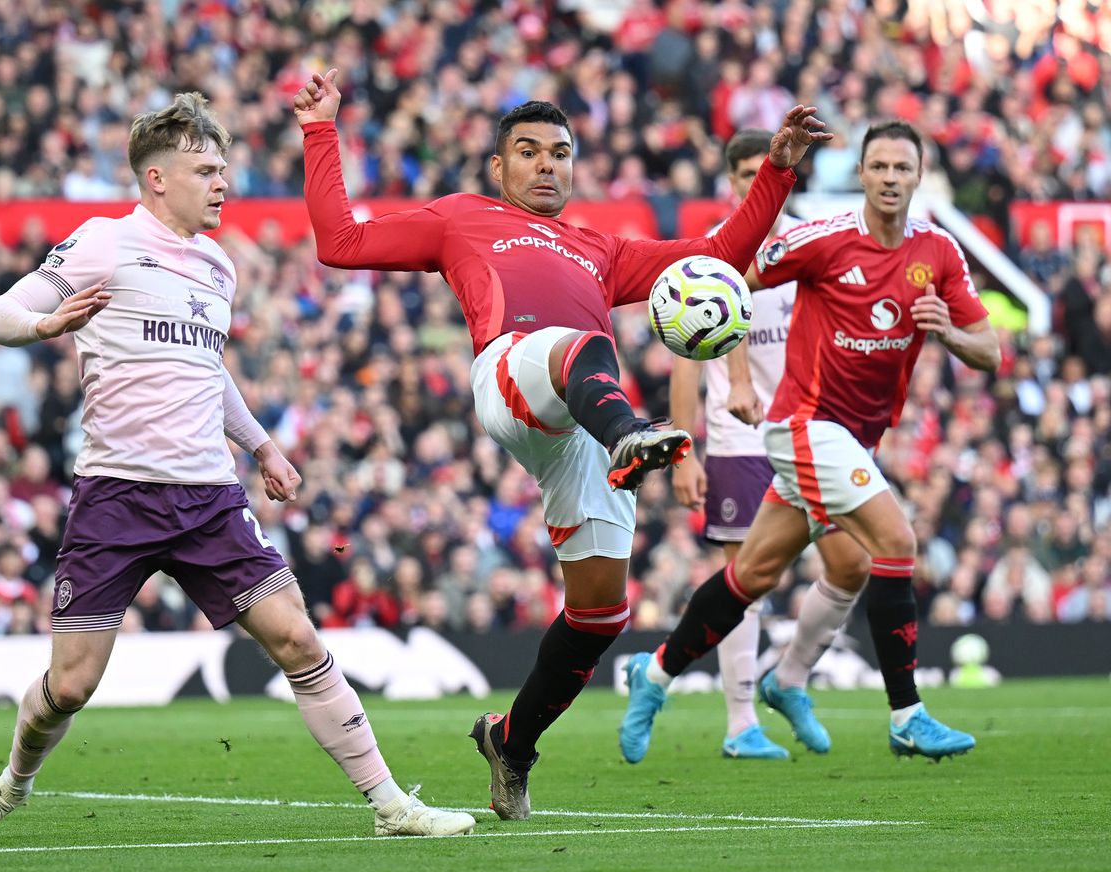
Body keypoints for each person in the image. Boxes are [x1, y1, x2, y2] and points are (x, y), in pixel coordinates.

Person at [294, 67, 831, 818]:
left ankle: (511, 743)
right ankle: (631, 436)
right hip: (515, 372)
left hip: (582, 418)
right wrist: (320, 129)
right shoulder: (462, 216)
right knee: (578, 346)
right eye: (529, 152)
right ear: (498, 166)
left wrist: (776, 171)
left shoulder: (598, 249)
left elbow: (715, 256)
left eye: (560, 152)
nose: (547, 164)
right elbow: (341, 241)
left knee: (600, 613)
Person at [0, 93, 473, 841]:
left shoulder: (218, 267)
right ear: (157, 178)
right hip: (117, 497)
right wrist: (45, 324)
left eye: (223, 168)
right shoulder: (104, 242)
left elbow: (207, 371)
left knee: (298, 638)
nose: (223, 182)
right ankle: (9, 786)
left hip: (208, 498)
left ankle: (391, 805)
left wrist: (263, 446)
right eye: (205, 170)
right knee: (72, 684)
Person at [619, 120, 1000, 762]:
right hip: (802, 424)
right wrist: (702, 327)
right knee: (896, 542)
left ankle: (656, 675)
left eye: (901, 168)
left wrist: (950, 333)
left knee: (755, 574)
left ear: (919, 175)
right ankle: (906, 714)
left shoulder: (938, 252)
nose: (889, 178)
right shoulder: (821, 240)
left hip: (855, 438)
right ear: (861, 173)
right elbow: (730, 279)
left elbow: (989, 349)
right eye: (878, 166)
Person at [621, 129, 872, 763]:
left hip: (810, 430)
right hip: (740, 439)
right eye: (745, 174)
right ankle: (740, 724)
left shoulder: (808, 247)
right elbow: (685, 360)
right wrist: (683, 451)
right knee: (748, 580)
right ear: (731, 182)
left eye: (767, 172)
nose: (756, 184)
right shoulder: (708, 259)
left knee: (850, 563)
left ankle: (788, 678)